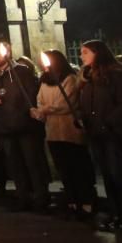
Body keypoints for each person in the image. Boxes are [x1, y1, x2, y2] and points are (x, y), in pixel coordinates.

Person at [78, 41, 122, 231]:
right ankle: (115, 213)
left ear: (97, 53)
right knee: (107, 176)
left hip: (113, 133)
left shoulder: (117, 75)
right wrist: (82, 119)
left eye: (85, 52)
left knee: (117, 174)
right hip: (96, 133)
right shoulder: (88, 78)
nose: (81, 56)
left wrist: (108, 122)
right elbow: (86, 104)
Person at [0, 43, 51, 212]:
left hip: (25, 127)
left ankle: (41, 197)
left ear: (7, 52)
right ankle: (23, 198)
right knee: (15, 166)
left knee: (32, 163)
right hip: (5, 128)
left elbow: (30, 94)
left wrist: (24, 112)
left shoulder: (22, 71)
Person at [32, 50, 96, 220]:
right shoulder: (44, 81)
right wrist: (40, 111)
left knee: (77, 166)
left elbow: (66, 103)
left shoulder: (70, 79)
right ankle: (72, 200)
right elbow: (40, 100)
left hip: (70, 130)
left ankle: (87, 200)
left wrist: (45, 109)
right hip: (53, 132)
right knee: (64, 168)